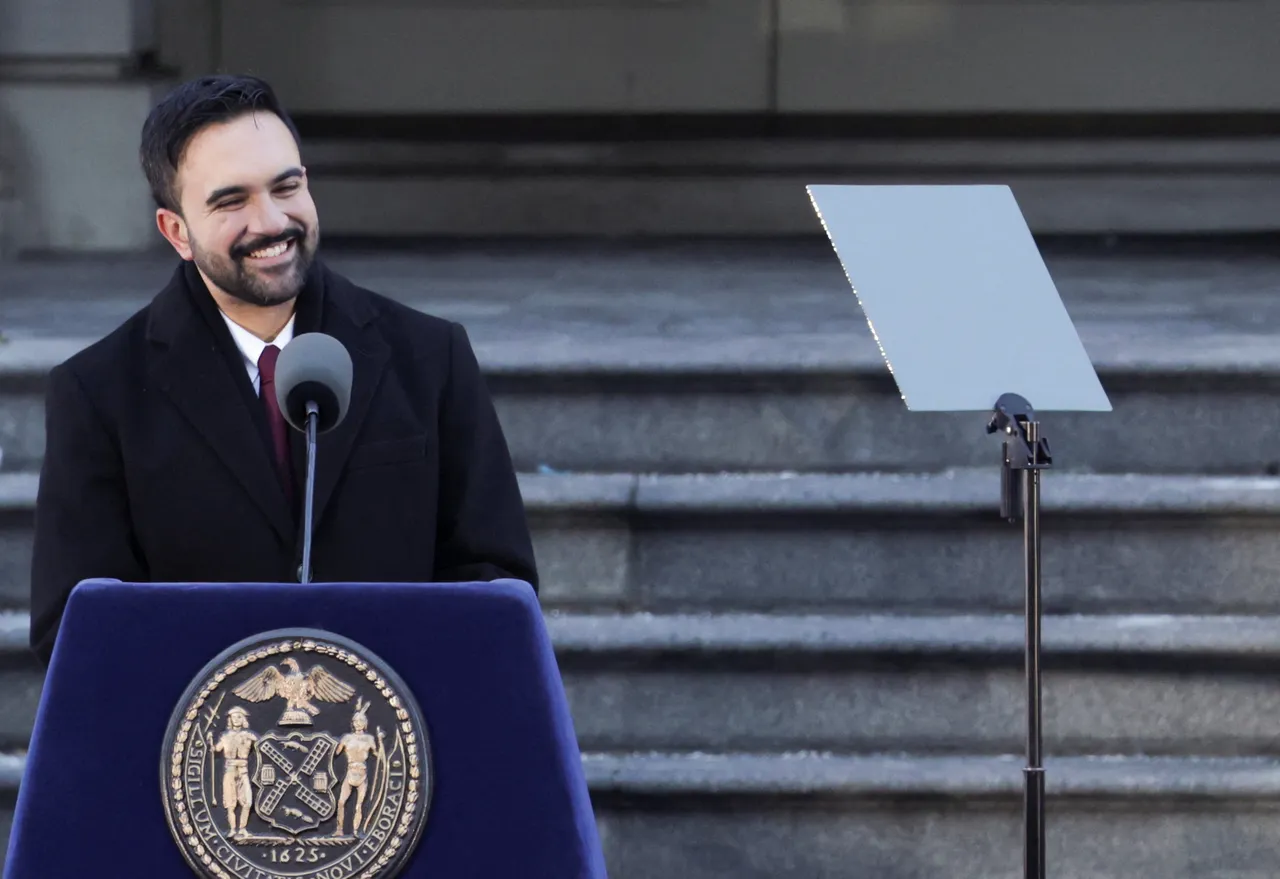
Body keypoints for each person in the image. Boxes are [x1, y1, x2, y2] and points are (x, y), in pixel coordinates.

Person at [29, 75, 538, 665]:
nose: (271, 222)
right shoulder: (98, 393)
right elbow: (75, 629)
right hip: (204, 749)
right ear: (176, 232)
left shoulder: (431, 356)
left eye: (285, 187)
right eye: (231, 201)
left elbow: (497, 585)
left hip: (397, 742)